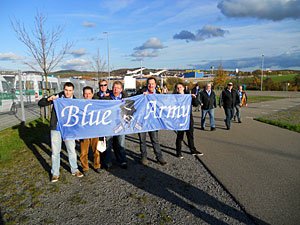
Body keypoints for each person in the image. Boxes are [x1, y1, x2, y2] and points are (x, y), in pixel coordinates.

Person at [38, 82, 83, 182]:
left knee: (71, 150)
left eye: (70, 90)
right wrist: (48, 99)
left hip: (69, 129)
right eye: (66, 90)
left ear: (73, 91)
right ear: (63, 89)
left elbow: (78, 117)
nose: (68, 93)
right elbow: (40, 103)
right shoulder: (57, 97)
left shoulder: (75, 101)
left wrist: (77, 132)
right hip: (56, 128)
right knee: (55, 151)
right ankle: (55, 173)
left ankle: (74, 169)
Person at [137, 77, 167, 166]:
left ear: (155, 84)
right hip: (142, 121)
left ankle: (159, 158)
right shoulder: (141, 92)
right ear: (147, 84)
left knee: (155, 140)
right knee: (142, 140)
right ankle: (144, 157)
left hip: (153, 121)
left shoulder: (158, 94)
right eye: (149, 83)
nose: (151, 85)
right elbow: (133, 99)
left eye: (152, 83)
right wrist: (142, 96)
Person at [103, 81, 128, 169]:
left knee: (121, 143)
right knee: (108, 144)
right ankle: (108, 161)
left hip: (120, 124)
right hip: (109, 125)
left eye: (118, 88)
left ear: (121, 89)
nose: (116, 89)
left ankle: (122, 160)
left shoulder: (125, 99)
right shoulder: (107, 98)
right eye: (114, 87)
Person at [175, 82, 203, 158]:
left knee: (190, 135)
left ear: (183, 88)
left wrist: (194, 98)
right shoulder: (174, 97)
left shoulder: (188, 96)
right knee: (180, 136)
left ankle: (193, 150)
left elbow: (196, 104)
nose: (179, 89)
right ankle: (178, 152)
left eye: (180, 87)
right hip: (180, 119)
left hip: (188, 118)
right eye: (177, 87)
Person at [79, 86, 101, 175]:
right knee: (84, 152)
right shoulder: (80, 105)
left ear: (92, 94)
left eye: (89, 93)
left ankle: (97, 165)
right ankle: (85, 167)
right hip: (84, 131)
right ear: (83, 95)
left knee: (96, 150)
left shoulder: (96, 104)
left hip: (94, 130)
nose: (87, 95)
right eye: (85, 94)